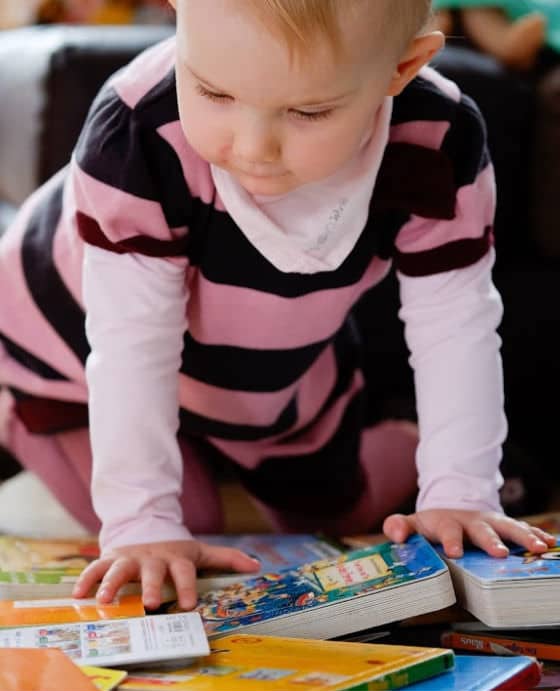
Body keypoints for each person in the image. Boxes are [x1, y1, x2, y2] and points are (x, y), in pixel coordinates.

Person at [0, 0, 555, 611]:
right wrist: (142, 522)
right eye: (213, 92)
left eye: (307, 110)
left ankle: (393, 437)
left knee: (340, 509)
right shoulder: (136, 129)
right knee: (184, 529)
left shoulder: (439, 135)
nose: (254, 147)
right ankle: (16, 410)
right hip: (69, 353)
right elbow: (131, 342)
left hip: (272, 349)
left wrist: (462, 487)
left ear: (403, 68)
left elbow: (458, 320)